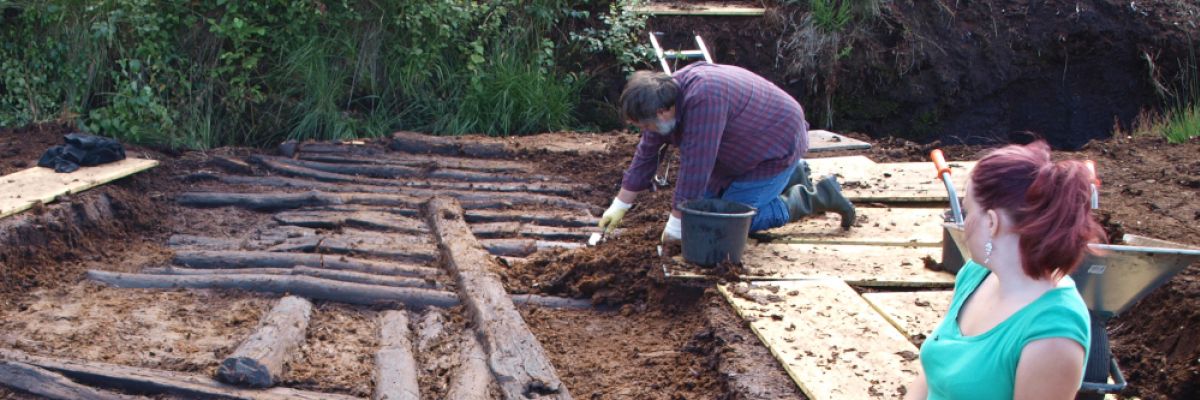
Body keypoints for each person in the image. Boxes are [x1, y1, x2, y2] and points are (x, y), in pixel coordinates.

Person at [905, 141, 1103, 400]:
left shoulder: (1054, 333)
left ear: (991, 222)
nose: (963, 224)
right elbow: (932, 374)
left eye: (968, 211)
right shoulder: (976, 276)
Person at [596, 62, 856, 241]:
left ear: (662, 112)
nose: (646, 131)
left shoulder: (704, 101)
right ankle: (792, 175)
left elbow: (696, 169)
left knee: (726, 222)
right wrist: (620, 205)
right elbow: (647, 152)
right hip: (741, 149)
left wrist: (676, 226)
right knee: (702, 212)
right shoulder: (663, 98)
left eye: (645, 125)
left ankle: (813, 198)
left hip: (774, 148)